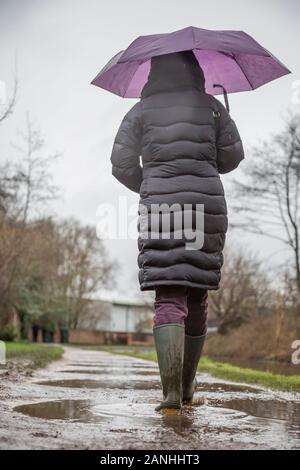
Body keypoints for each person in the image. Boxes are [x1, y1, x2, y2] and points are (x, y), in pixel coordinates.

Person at [110, 51, 244, 411]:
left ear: (153, 73)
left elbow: (121, 164)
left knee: (169, 294)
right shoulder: (212, 107)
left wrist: (152, 184)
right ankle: (186, 389)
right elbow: (232, 159)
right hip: (206, 208)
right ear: (196, 70)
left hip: (161, 208)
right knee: (197, 294)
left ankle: (169, 394)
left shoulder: (140, 111)